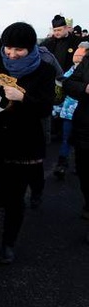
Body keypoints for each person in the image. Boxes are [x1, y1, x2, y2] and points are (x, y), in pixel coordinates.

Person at [0, 22, 55, 267]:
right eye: (8, 47)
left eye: (19, 50)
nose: (12, 54)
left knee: (14, 198)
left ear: (31, 48)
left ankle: (8, 244)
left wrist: (24, 98)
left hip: (24, 143)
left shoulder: (45, 71)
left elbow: (46, 108)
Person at [62, 43, 89, 226]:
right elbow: (68, 82)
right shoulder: (87, 61)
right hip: (85, 127)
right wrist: (85, 88)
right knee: (84, 170)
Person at [53, 44, 89, 179]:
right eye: (75, 55)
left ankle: (78, 164)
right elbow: (65, 85)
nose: (77, 58)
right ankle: (62, 164)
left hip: (83, 114)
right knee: (66, 138)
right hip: (69, 113)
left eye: (80, 55)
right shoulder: (69, 72)